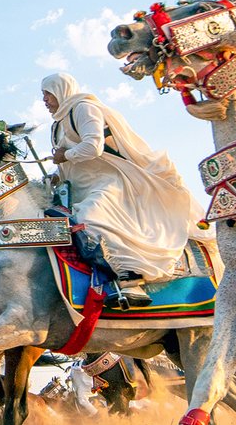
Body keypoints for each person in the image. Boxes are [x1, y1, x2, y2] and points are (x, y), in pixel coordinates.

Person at [41, 72, 204, 310]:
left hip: (112, 181)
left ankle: (132, 280)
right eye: (43, 94)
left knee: (90, 217)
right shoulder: (57, 124)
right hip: (82, 185)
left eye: (47, 93)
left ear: (60, 89)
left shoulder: (84, 108)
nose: (44, 99)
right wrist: (57, 173)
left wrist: (64, 155)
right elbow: (69, 160)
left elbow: (93, 147)